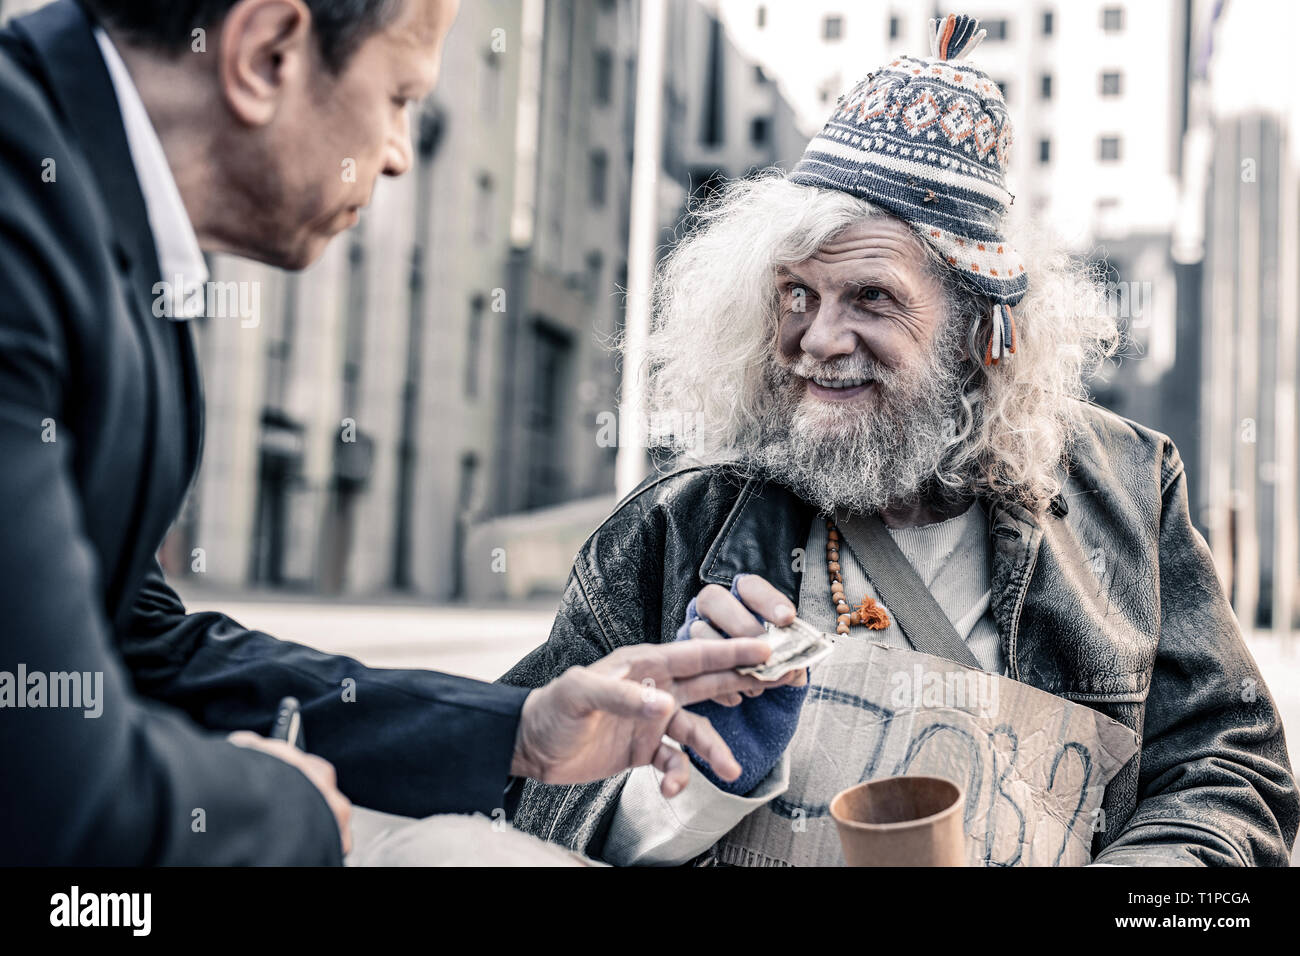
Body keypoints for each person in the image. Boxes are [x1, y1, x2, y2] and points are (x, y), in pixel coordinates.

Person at [0, 0, 788, 866]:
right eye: (401, 98)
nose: (400, 155)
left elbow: (140, 646)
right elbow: (55, 787)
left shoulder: (95, 223)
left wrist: (516, 733)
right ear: (267, 55)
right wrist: (290, 812)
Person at [500, 15, 1300, 866]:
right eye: (797, 294)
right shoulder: (673, 530)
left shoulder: (1133, 488)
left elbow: (1231, 772)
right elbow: (516, 788)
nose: (817, 340)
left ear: (976, 330)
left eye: (871, 299)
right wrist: (693, 773)